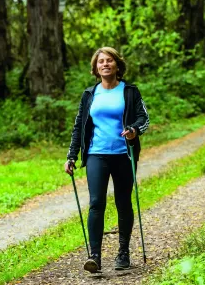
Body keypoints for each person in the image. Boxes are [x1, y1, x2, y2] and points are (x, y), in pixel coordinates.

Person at [64, 47, 149, 273]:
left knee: (123, 202)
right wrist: (72, 155)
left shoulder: (130, 91)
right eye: (101, 61)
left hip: (124, 154)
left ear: (117, 65)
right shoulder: (90, 94)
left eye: (109, 60)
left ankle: (123, 252)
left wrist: (133, 130)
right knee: (96, 203)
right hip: (96, 154)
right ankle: (95, 256)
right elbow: (79, 126)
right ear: (95, 68)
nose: (105, 64)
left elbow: (144, 118)